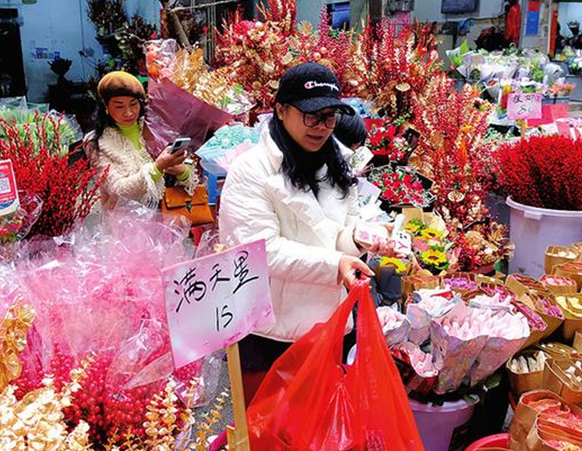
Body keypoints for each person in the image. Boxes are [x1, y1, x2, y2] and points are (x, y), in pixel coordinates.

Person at [219, 63, 399, 402]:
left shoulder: (336, 164)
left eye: (330, 117)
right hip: (273, 331)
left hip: (330, 324)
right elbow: (261, 251)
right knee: (269, 429)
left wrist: (361, 237)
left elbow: (340, 234)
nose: (321, 127)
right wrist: (336, 264)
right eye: (311, 116)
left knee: (323, 431)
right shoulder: (251, 170)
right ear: (281, 110)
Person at [87, 71, 198, 209]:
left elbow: (190, 179)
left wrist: (182, 172)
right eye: (119, 106)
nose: (128, 112)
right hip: (127, 224)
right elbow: (117, 190)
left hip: (169, 214)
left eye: (133, 104)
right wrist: (157, 168)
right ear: (105, 106)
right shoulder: (97, 142)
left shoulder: (155, 127)